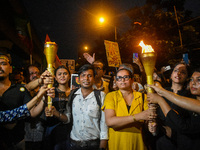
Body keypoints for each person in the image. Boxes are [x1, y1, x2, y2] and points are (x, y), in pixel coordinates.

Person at [0, 51, 52, 149]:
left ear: (10, 68)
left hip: (17, 142)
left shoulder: (19, 89)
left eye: (3, 63)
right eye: (31, 73)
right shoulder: (25, 88)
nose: (0, 67)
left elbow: (31, 112)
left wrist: (43, 97)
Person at [147, 67, 200, 150]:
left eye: (199, 80)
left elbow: (183, 126)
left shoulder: (188, 99)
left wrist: (160, 98)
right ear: (171, 75)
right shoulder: (193, 98)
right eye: (192, 79)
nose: (193, 83)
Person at [102, 68, 154, 150]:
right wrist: (137, 117)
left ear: (132, 79)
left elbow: (148, 119)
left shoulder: (143, 97)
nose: (122, 80)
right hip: (117, 143)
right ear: (115, 81)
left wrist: (151, 125)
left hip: (138, 142)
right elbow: (110, 121)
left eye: (126, 77)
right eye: (119, 78)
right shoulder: (111, 96)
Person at [68, 64, 108, 150]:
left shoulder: (101, 96)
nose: (86, 79)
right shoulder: (72, 95)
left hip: (93, 144)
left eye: (89, 76)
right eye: (83, 75)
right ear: (78, 79)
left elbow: (104, 122)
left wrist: (102, 146)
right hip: (74, 143)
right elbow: (68, 116)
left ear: (94, 78)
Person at [44, 65, 71, 150]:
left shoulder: (75, 92)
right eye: (59, 74)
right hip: (54, 129)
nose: (62, 76)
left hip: (71, 129)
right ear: (55, 78)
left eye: (65, 73)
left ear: (69, 76)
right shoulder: (51, 91)